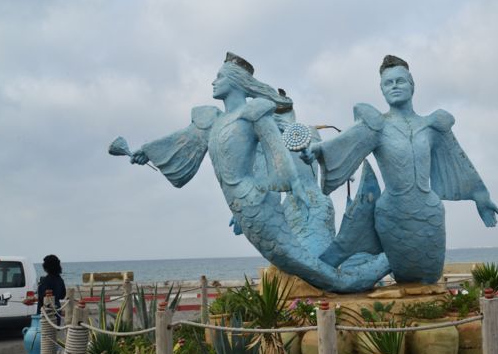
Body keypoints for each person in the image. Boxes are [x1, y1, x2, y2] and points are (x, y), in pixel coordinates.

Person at [126, 52, 390, 292]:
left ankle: (384, 263)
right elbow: (182, 140)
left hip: (257, 201)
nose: (213, 82)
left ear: (235, 81)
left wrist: (295, 187)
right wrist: (147, 151)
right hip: (242, 207)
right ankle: (369, 265)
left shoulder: (254, 113)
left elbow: (275, 151)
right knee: (296, 261)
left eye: (219, 77)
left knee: (301, 263)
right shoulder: (213, 121)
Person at [303, 55, 498, 284]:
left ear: (412, 85)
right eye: (388, 83)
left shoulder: (432, 126)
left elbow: (457, 158)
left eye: (400, 81)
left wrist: (480, 195)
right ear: (382, 90)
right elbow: (344, 141)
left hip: (430, 213)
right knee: (405, 279)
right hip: (392, 215)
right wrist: (318, 150)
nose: (394, 86)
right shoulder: (376, 126)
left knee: (430, 280)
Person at [37, 255, 66, 323]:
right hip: (57, 310)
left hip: (46, 313)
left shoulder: (45, 280)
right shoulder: (60, 279)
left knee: (47, 329)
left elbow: (42, 297)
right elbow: (62, 295)